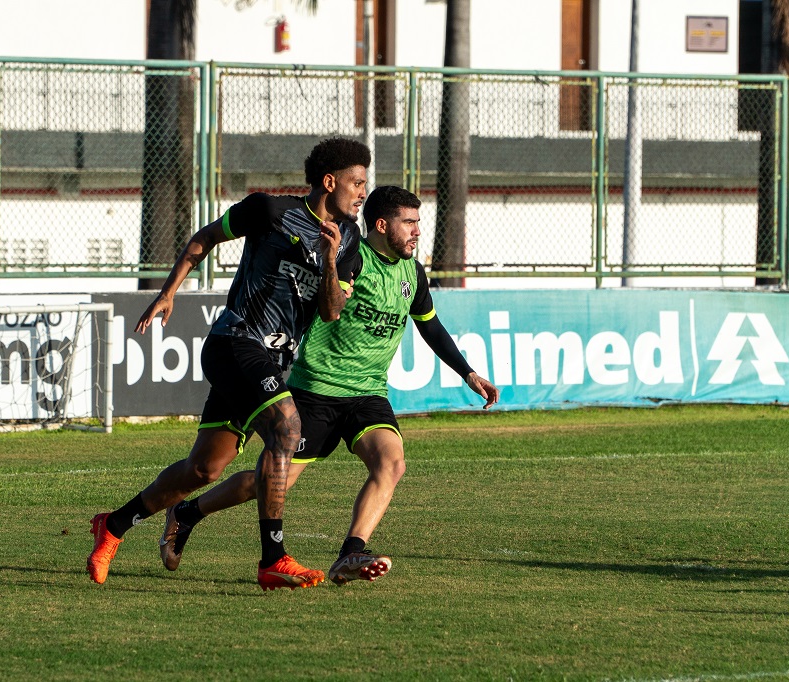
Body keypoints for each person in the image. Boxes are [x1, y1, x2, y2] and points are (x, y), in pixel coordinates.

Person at [157, 185, 499, 585]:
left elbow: (431, 327)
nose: (417, 231)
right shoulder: (351, 256)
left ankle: (352, 551)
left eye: (418, 223)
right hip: (316, 390)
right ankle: (188, 512)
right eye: (409, 223)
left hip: (368, 394)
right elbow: (327, 306)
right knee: (270, 482)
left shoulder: (412, 273)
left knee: (392, 464)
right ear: (382, 225)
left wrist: (468, 372)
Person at [87, 137, 371, 590]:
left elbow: (332, 310)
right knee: (287, 430)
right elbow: (205, 238)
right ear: (329, 181)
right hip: (235, 342)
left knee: (204, 469)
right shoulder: (269, 211)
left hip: (272, 361)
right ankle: (273, 559)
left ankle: (114, 525)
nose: (362, 192)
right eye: (357, 183)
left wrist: (331, 260)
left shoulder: (350, 239)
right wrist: (168, 292)